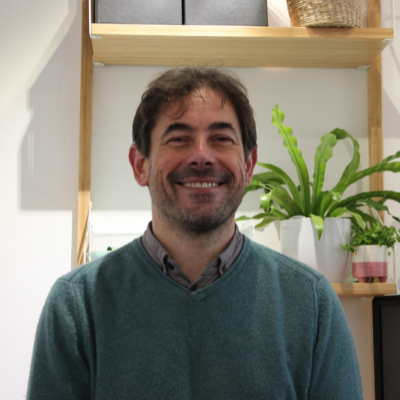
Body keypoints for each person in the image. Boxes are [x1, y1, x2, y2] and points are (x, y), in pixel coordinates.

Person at [27, 67, 363, 399]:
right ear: (140, 165)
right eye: (178, 139)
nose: (202, 156)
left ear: (248, 166)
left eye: (221, 139)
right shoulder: (76, 307)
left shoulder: (311, 304)